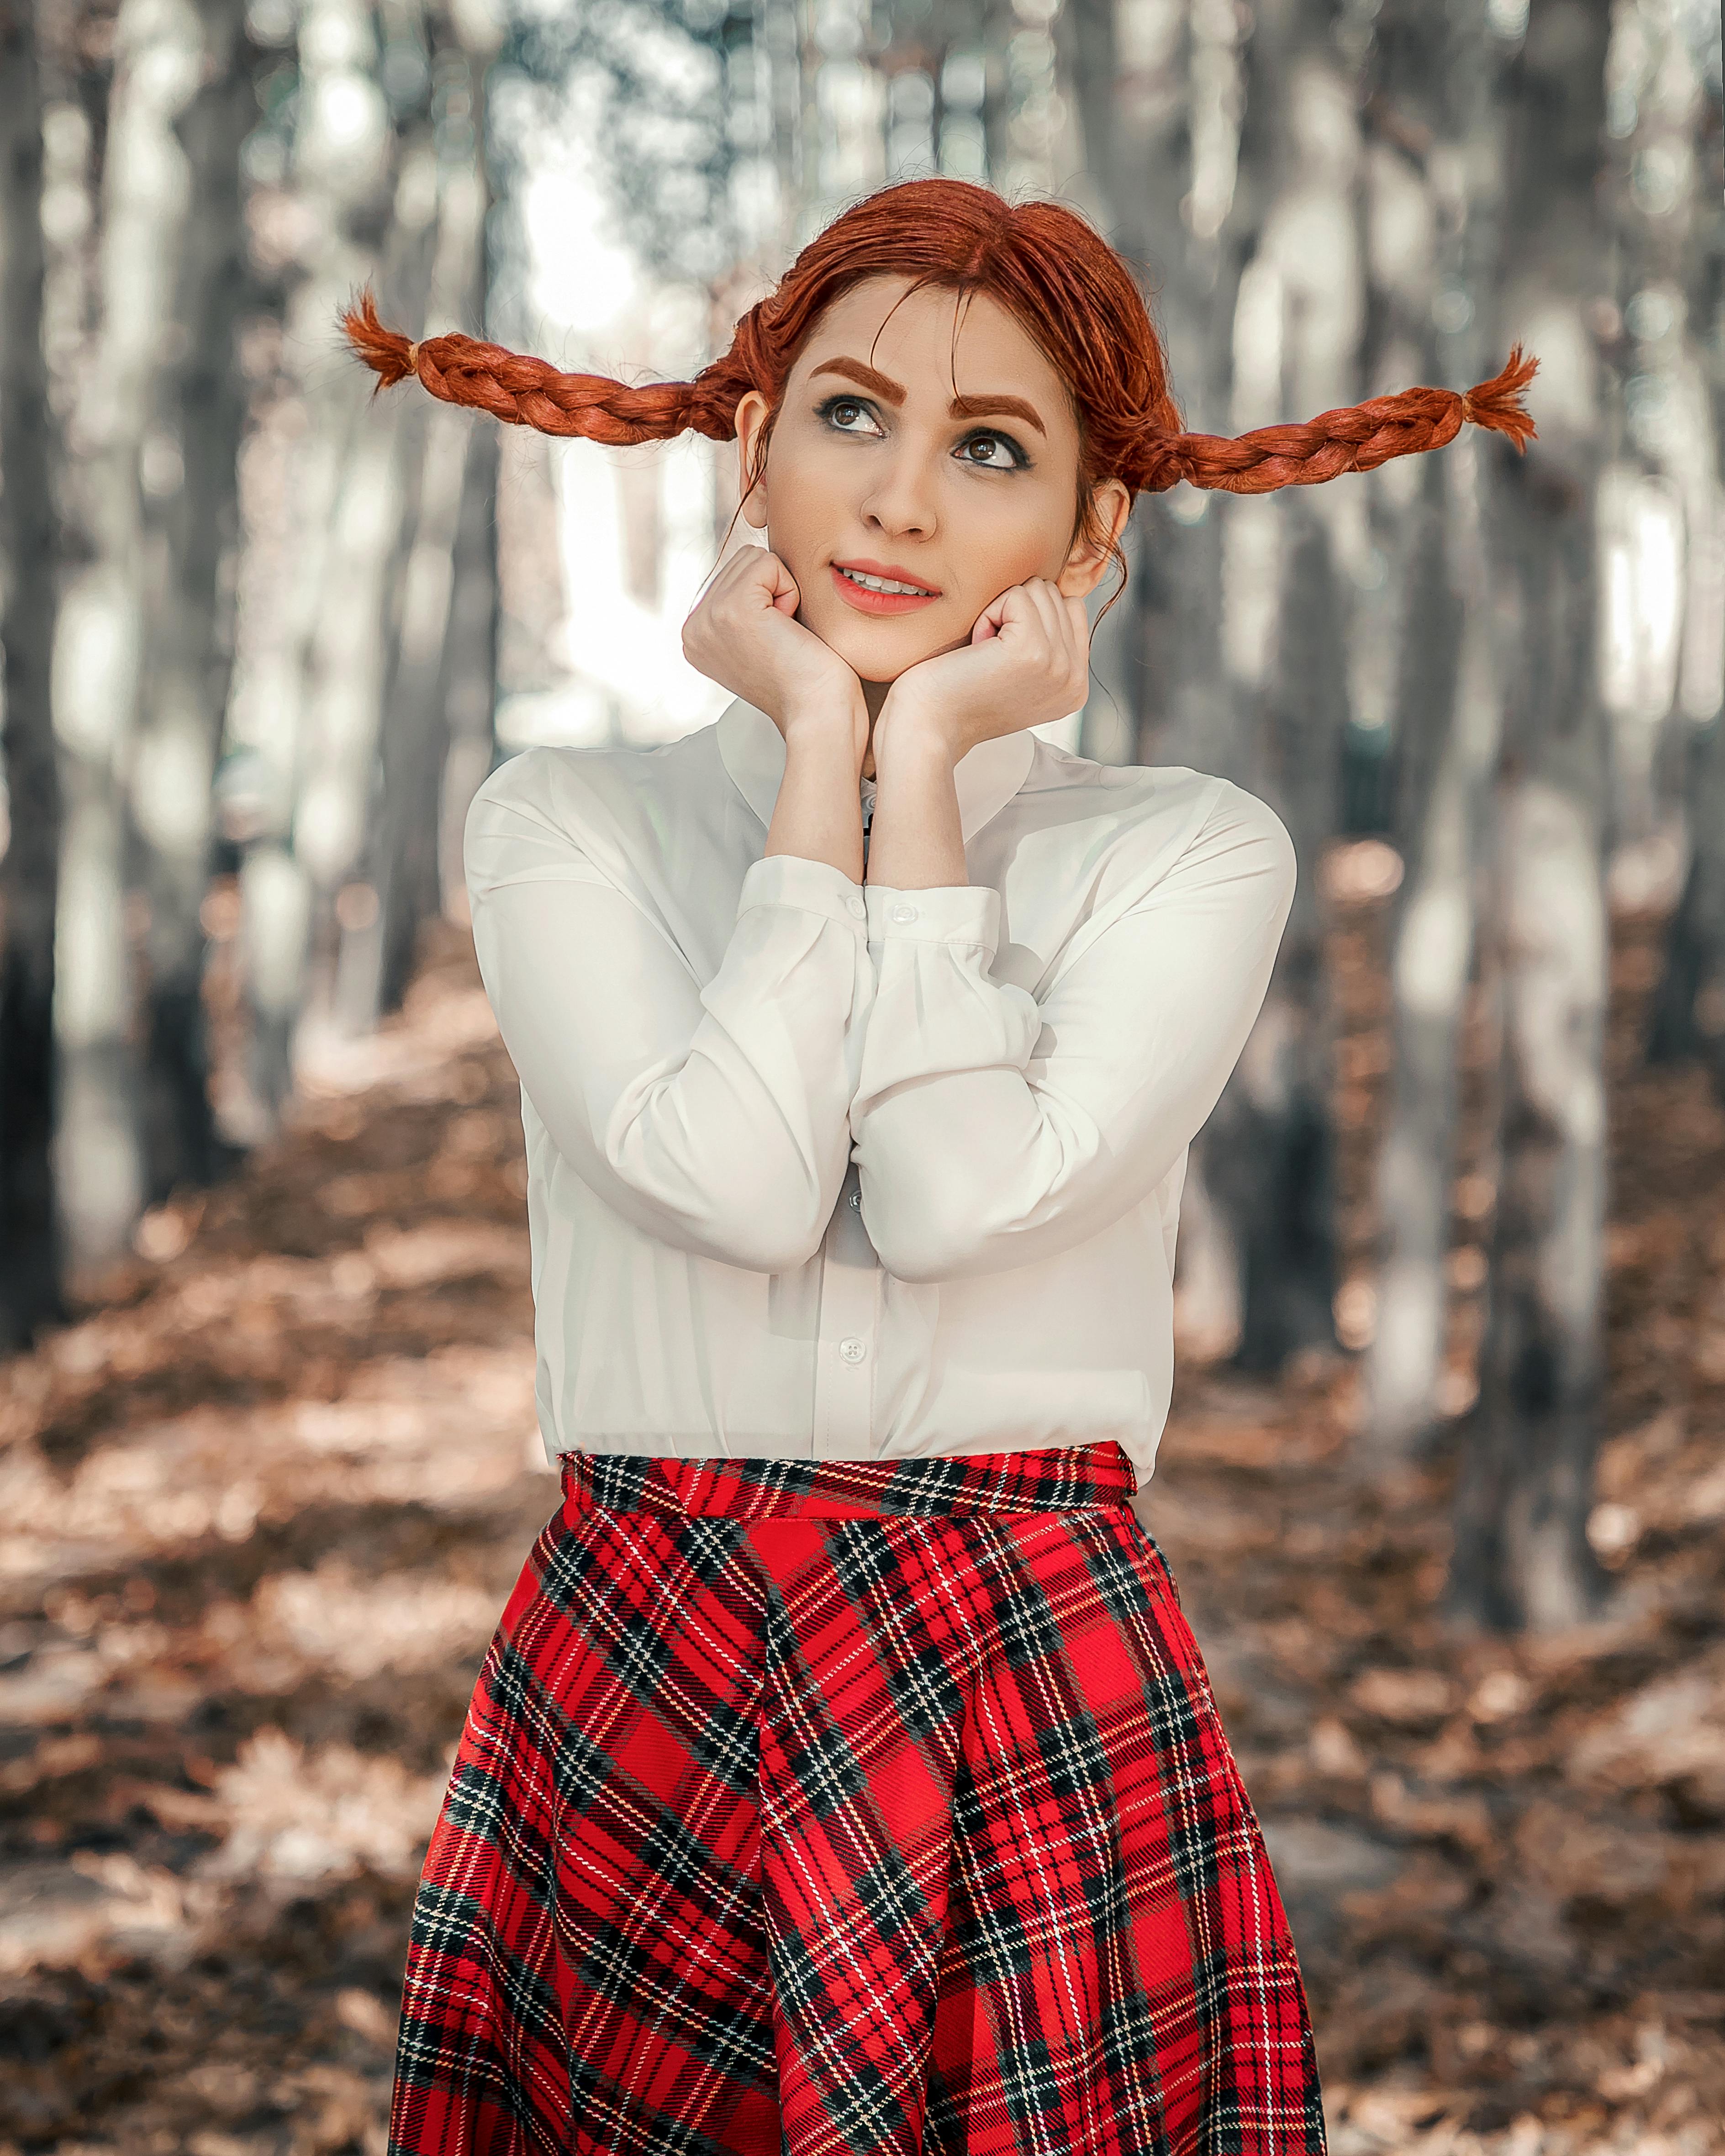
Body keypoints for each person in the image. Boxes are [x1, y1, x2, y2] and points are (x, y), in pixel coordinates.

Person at [344, 175, 1535, 2156]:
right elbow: (729, 1181)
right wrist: (831, 741)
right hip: (657, 1643)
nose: (899, 499)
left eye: (990, 449)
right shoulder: (569, 820)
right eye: (850, 413)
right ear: (754, 444)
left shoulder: (1184, 848)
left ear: (1091, 535)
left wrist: (917, 793)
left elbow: (949, 1196)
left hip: (1024, 1660)